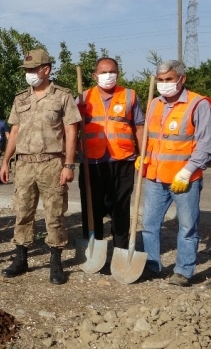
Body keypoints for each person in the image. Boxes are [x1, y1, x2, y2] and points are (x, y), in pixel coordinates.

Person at [0, 49, 81, 285]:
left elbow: (71, 131)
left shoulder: (62, 96)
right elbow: (14, 131)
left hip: (51, 163)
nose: (29, 74)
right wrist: (5, 161)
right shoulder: (21, 98)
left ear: (46, 70)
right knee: (22, 212)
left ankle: (56, 262)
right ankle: (21, 258)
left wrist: (69, 164)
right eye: (26, 70)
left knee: (54, 214)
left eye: (33, 69)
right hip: (24, 164)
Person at [139, 60, 211, 287]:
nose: (164, 84)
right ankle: (152, 265)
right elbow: (151, 137)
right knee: (149, 224)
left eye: (168, 79)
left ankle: (183, 271)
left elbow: (205, 144)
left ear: (182, 79)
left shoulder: (198, 104)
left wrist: (187, 171)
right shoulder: (154, 103)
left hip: (184, 179)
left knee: (187, 227)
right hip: (155, 177)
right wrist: (144, 156)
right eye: (160, 80)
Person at [77, 57, 144, 249]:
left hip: (122, 161)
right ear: (94, 75)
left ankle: (120, 248)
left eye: (112, 71)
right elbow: (71, 127)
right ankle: (93, 246)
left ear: (118, 73)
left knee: (120, 208)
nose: (108, 75)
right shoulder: (83, 97)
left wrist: (143, 155)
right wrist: (76, 113)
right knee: (92, 208)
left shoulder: (129, 96)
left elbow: (139, 127)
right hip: (92, 163)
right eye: (104, 72)